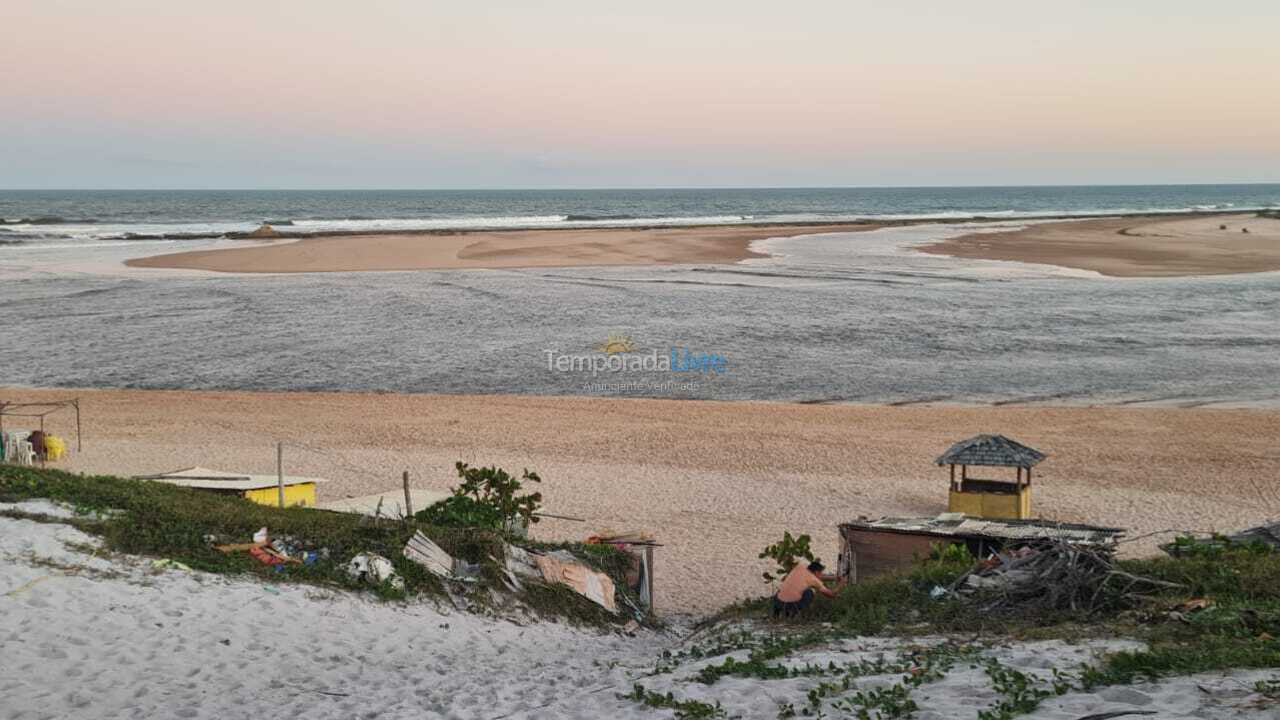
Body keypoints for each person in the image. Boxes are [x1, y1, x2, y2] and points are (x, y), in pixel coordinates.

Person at [772, 560, 840, 618]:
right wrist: (842, 584)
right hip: (791, 605)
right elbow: (831, 594)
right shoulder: (814, 580)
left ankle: (776, 614)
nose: (821, 574)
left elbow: (817, 577)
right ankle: (793, 614)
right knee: (810, 592)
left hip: (778, 601)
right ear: (816, 572)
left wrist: (834, 578)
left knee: (784, 588)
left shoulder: (800, 567)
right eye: (821, 572)